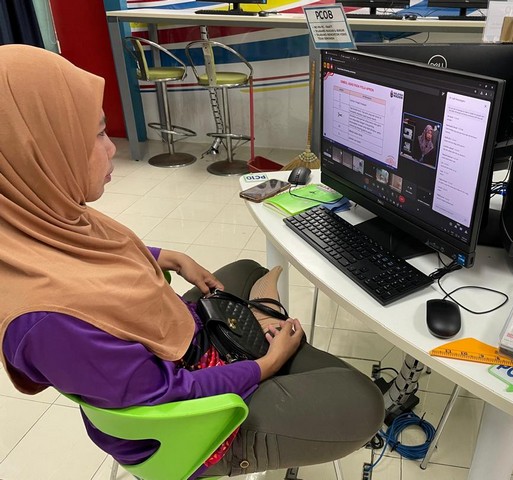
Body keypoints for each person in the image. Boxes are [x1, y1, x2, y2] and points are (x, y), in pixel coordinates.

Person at [0, 45, 384, 478]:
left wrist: (167, 257)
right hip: (183, 430)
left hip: (165, 360)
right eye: (98, 135)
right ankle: (276, 355)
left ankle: (273, 343)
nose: (110, 150)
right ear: (37, 152)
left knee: (243, 273)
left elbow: (91, 255)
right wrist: (266, 366)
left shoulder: (30, 215)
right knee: (365, 404)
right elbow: (168, 396)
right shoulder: (47, 322)